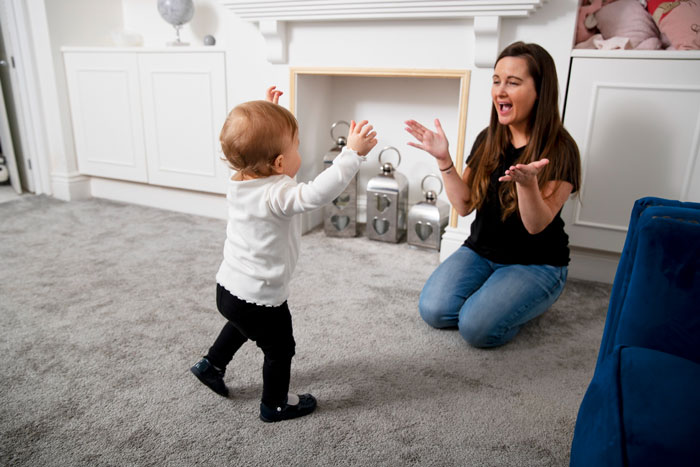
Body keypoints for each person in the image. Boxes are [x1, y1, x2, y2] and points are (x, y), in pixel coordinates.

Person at [191, 86, 377, 422]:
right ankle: (275, 404)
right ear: (279, 162)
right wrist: (351, 153)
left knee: (240, 323)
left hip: (228, 287)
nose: (298, 153)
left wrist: (268, 118)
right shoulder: (279, 192)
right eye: (296, 148)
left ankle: (211, 364)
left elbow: (252, 148)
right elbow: (318, 193)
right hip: (261, 296)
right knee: (279, 348)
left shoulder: (239, 179)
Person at [404, 42, 581, 348]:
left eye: (513, 82)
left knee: (476, 328)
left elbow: (536, 225)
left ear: (540, 91)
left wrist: (527, 185)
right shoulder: (488, 139)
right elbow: (464, 204)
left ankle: (528, 298)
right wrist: (444, 160)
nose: (500, 91)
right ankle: (496, 291)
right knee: (434, 310)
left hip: (537, 264)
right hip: (481, 252)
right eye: (496, 81)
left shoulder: (561, 149)